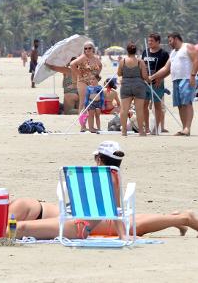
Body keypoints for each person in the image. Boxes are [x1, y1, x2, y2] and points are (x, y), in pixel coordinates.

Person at [10, 141, 198, 239]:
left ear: (98, 159)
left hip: (41, 208)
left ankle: (181, 218)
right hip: (79, 220)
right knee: (133, 222)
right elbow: (116, 212)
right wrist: (123, 236)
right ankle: (177, 218)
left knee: (135, 223)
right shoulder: (112, 177)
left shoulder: (82, 174)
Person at [149, 33, 198, 136]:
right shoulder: (173, 53)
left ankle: (187, 128)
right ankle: (183, 128)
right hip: (175, 80)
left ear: (176, 39)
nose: (169, 43)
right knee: (180, 105)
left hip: (187, 78)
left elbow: (196, 59)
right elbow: (166, 69)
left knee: (187, 103)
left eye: (170, 40)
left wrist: (193, 75)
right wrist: (154, 77)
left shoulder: (187, 46)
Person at [117, 42, 149, 137]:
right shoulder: (140, 62)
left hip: (126, 85)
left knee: (124, 109)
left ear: (127, 51)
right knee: (139, 110)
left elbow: (119, 73)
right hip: (139, 85)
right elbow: (144, 76)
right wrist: (148, 78)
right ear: (136, 51)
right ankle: (141, 132)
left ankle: (124, 131)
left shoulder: (122, 61)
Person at [142, 33, 170, 134]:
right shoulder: (145, 52)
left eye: (152, 41)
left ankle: (156, 128)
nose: (149, 43)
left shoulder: (164, 54)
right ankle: (147, 128)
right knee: (144, 105)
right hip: (145, 83)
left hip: (157, 83)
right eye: (149, 41)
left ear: (158, 42)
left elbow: (168, 69)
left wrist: (161, 78)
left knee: (157, 105)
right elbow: (142, 66)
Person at [70, 41, 102, 121]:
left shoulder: (95, 58)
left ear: (93, 49)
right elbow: (72, 64)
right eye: (85, 48)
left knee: (92, 103)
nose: (87, 50)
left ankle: (90, 125)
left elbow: (100, 66)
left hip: (92, 83)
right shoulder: (83, 57)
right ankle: (83, 125)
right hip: (82, 82)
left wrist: (97, 75)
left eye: (89, 48)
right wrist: (79, 74)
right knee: (83, 102)